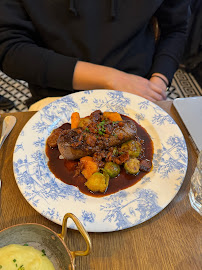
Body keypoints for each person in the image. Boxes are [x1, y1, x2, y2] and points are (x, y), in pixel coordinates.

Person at [0, 0, 190, 105]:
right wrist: (111, 78)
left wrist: (159, 81)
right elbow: (10, 50)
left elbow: (175, 29)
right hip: (56, 94)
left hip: (139, 91)